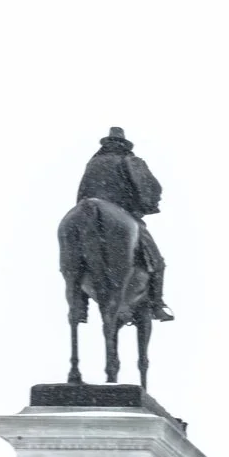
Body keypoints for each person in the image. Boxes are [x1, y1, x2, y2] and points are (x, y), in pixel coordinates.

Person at [76, 128, 173, 321]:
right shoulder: (129, 160)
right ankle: (157, 304)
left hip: (87, 213)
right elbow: (151, 188)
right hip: (122, 212)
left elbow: (81, 193)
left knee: (77, 261)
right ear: (123, 145)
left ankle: (80, 308)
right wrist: (145, 205)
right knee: (157, 261)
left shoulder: (92, 163)